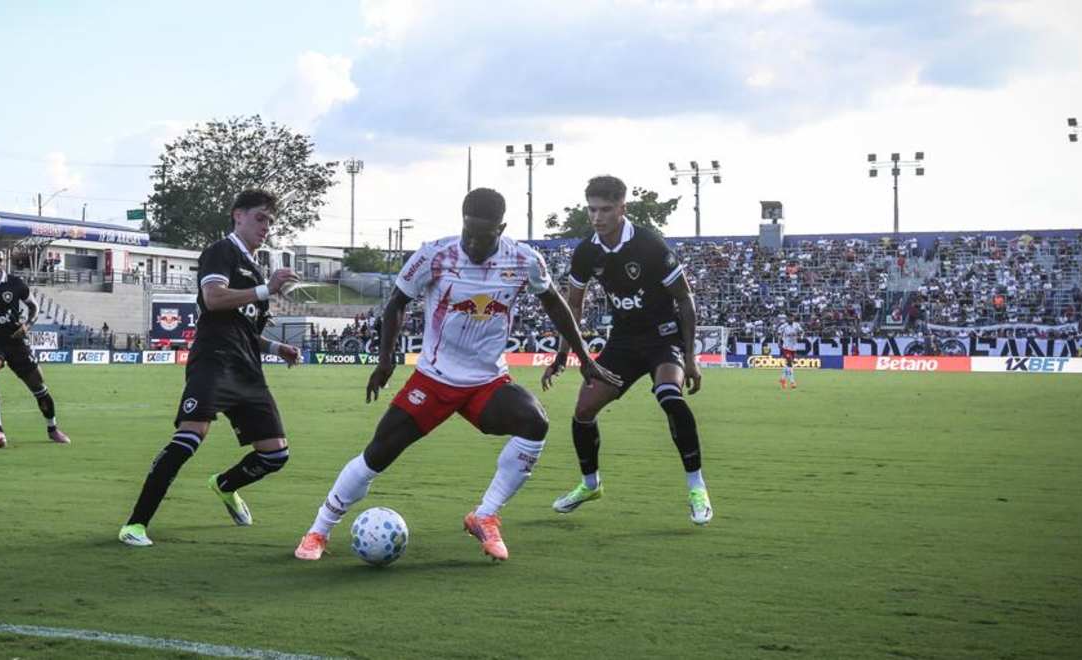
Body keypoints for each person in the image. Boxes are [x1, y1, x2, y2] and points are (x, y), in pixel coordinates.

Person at [293, 188, 620, 562]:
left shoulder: (523, 258)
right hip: (434, 378)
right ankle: (319, 530)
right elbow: (397, 302)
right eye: (468, 233)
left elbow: (555, 304)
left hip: (486, 381)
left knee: (535, 422)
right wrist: (385, 361)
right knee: (378, 453)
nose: (474, 243)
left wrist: (581, 357)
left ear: (502, 228)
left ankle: (485, 515)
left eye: (484, 235)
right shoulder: (436, 254)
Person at [119, 190, 301, 547]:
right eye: (260, 218)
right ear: (238, 215)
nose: (266, 227)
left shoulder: (253, 268)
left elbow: (247, 332)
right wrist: (267, 289)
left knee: (275, 454)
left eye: (270, 222)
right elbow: (213, 299)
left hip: (248, 370)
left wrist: (277, 347)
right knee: (189, 438)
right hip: (215, 361)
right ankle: (135, 524)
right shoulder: (222, 251)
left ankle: (224, 485)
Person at [541, 175, 714, 526]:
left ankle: (697, 487)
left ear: (623, 208)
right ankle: (590, 485)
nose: (597, 217)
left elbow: (684, 298)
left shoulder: (649, 244)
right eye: (592, 209)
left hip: (663, 338)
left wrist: (691, 358)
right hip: (622, 341)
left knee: (669, 395)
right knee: (583, 409)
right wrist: (563, 354)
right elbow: (572, 307)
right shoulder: (587, 251)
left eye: (605, 209)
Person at [0, 246, 70, 448]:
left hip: (15, 342)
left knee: (39, 387)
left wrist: (27, 325)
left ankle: (53, 429)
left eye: (0, 260)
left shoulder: (15, 284)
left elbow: (34, 307)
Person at [776, 314, 804, 390]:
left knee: (788, 365)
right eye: (789, 317)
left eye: (791, 317)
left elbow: (802, 332)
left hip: (794, 348)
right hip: (786, 347)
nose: (790, 319)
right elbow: (778, 334)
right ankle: (792, 382)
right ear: (787, 318)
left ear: (793, 318)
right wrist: (778, 342)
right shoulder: (783, 326)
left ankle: (782, 379)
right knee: (789, 363)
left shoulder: (796, 325)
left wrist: (801, 337)